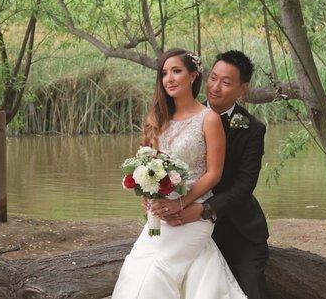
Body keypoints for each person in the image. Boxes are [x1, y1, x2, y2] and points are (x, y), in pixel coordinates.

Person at [112, 49, 246, 299]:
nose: (169, 79)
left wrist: (180, 203)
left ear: (193, 75)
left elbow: (214, 174)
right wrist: (147, 194)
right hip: (160, 214)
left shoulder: (209, 119)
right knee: (136, 266)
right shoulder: (158, 118)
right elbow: (148, 166)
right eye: (164, 73)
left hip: (194, 213)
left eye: (176, 71)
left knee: (155, 272)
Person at [158, 50, 270, 299]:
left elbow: (244, 185)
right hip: (183, 222)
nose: (215, 87)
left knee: (252, 290)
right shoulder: (184, 115)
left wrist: (204, 209)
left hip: (235, 228)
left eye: (226, 82)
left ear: (242, 89)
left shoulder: (252, 129)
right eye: (213, 78)